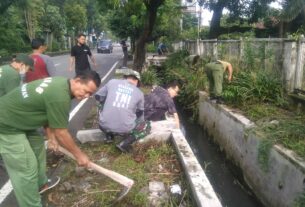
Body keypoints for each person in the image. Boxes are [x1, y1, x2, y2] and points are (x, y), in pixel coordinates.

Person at [0, 70, 101, 207]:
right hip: (6, 124)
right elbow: (62, 133)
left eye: (90, 94)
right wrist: (79, 155)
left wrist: (50, 137)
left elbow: (46, 111)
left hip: (20, 119)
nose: (86, 96)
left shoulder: (61, 82)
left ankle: (41, 184)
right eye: (86, 91)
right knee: (25, 170)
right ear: (77, 81)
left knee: (38, 146)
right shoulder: (60, 96)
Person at [95, 69, 151, 152]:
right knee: (146, 125)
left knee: (101, 104)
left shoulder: (112, 82)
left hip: (103, 126)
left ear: (125, 77)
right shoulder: (139, 93)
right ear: (136, 81)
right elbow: (140, 113)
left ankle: (109, 135)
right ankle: (124, 143)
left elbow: (98, 96)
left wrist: (109, 102)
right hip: (125, 130)